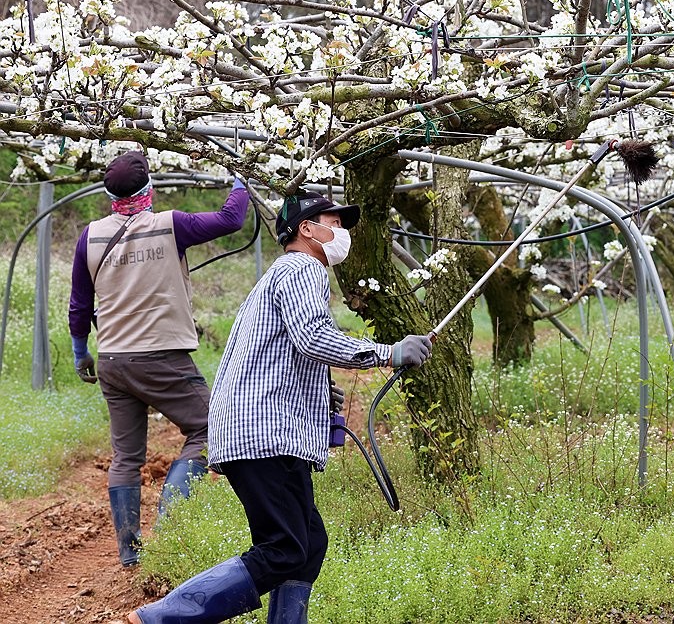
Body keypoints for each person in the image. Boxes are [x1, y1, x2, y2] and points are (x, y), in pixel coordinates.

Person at [129, 190, 433, 624]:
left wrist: (315, 393)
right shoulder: (303, 269)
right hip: (265, 434)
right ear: (307, 228)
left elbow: (280, 352)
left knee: (308, 543)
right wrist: (389, 352)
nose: (342, 232)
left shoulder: (283, 275)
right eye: (335, 221)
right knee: (285, 548)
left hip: (262, 428)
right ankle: (163, 618)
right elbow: (312, 339)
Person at [70, 150, 249, 567]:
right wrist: (240, 180)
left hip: (113, 360)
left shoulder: (90, 236)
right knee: (212, 428)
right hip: (162, 357)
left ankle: (130, 553)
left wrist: (82, 352)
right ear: (148, 189)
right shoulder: (171, 225)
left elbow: (79, 305)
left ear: (109, 194)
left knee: (127, 456)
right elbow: (230, 219)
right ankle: (169, 527)